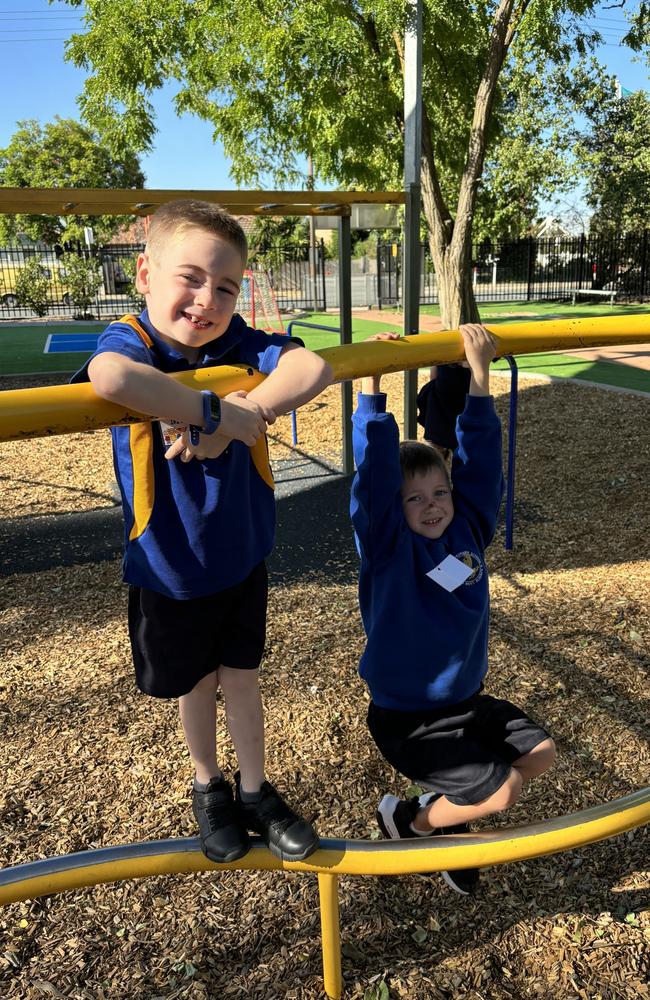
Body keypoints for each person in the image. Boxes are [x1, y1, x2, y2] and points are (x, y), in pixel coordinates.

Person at [72, 199, 332, 864]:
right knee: (197, 685)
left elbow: (313, 367)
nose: (206, 299)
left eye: (224, 286)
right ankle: (207, 784)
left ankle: (254, 789)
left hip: (241, 556)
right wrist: (209, 411)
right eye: (190, 277)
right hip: (172, 565)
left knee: (242, 679)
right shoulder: (136, 340)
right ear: (145, 273)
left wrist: (250, 410)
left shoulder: (239, 344)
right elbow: (109, 377)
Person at [350, 325, 556, 895]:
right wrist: (372, 383)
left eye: (439, 492)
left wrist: (480, 378)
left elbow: (482, 468)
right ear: (396, 509)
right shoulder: (388, 548)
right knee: (502, 790)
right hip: (407, 719)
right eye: (413, 498)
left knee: (539, 753)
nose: (431, 506)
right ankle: (412, 826)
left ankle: (428, 815)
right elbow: (372, 484)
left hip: (465, 702)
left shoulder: (469, 528)